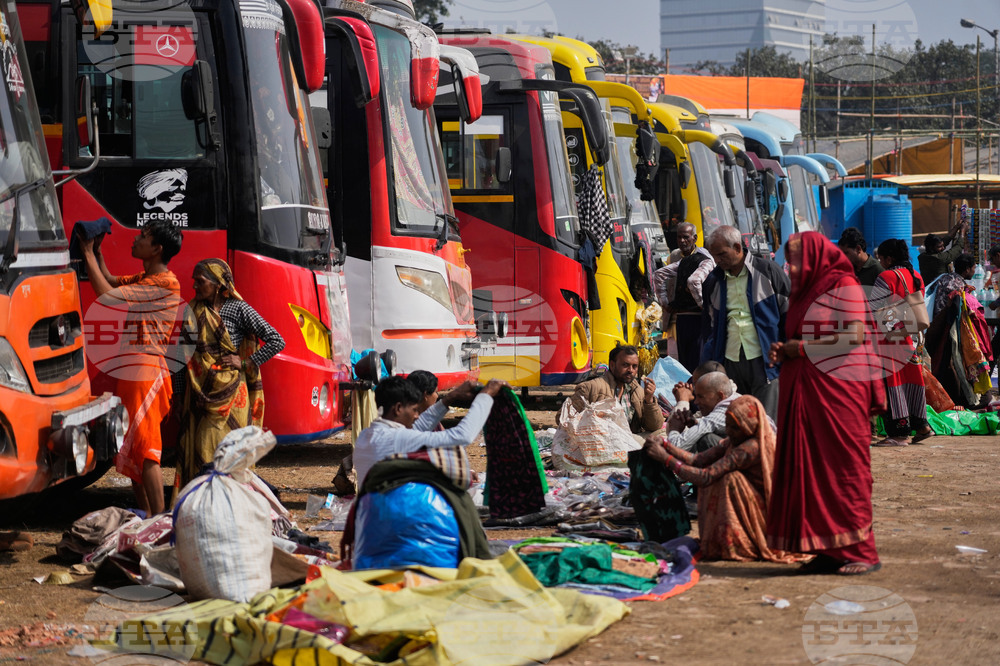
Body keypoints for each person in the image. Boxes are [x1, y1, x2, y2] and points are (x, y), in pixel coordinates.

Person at [766, 231, 885, 575]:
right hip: (807, 390)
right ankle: (826, 549)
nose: (791, 268)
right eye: (790, 261)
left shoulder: (843, 285)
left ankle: (861, 551)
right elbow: (801, 334)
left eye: (797, 260)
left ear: (816, 258)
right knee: (811, 471)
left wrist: (801, 349)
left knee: (843, 469)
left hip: (839, 393)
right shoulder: (803, 292)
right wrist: (785, 349)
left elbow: (854, 336)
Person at [79, 220, 183, 517]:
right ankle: (148, 514)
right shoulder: (147, 277)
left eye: (143, 237)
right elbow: (111, 280)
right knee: (131, 445)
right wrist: (98, 252)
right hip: (132, 370)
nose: (135, 239)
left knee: (146, 447)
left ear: (157, 248)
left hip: (145, 370)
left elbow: (105, 296)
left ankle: (158, 518)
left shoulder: (164, 283)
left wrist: (87, 253)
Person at [643, 396, 805, 563]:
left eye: (734, 427)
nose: (729, 431)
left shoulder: (752, 446)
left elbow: (705, 476)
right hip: (752, 501)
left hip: (764, 508)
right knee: (726, 477)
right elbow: (698, 459)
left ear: (748, 425)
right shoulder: (737, 438)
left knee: (730, 479)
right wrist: (666, 446)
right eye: (728, 426)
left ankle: (741, 542)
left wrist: (666, 459)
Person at [175, 259, 285, 488]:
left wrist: (245, 362)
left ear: (218, 284)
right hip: (200, 395)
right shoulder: (192, 311)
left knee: (235, 455)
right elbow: (180, 356)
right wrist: (177, 396)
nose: (194, 286)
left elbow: (277, 340)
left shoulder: (238, 309)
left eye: (200, 281)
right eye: (194, 281)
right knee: (204, 453)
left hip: (234, 397)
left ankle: (236, 502)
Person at [352, 377, 508, 487]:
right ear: (398, 408)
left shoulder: (367, 435)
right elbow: (462, 436)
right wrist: (486, 396)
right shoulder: (396, 438)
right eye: (414, 410)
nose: (416, 416)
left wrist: (450, 398)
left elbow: (419, 427)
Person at [701, 225, 789, 418]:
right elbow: (710, 328)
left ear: (737, 248)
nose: (717, 260)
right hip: (730, 359)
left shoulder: (768, 272)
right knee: (739, 419)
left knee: (766, 419)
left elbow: (789, 316)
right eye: (714, 256)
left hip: (766, 360)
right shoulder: (713, 282)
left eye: (722, 254)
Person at [869, 238, 932, 446]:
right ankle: (922, 426)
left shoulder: (885, 277)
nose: (881, 262)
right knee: (913, 380)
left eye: (881, 259)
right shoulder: (916, 276)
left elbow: (874, 310)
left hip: (891, 338)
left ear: (889, 259)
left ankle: (899, 433)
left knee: (894, 382)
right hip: (913, 336)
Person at [924, 254, 992, 408]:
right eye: (973, 268)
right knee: (954, 364)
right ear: (967, 269)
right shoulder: (958, 285)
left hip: (936, 325)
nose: (974, 271)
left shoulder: (945, 278)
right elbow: (956, 308)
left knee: (944, 364)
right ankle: (957, 400)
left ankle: (948, 398)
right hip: (949, 329)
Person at [653, 223, 715, 371]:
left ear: (695, 239)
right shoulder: (679, 257)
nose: (682, 241)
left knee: (687, 362)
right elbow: (692, 281)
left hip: (688, 318)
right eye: (679, 237)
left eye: (685, 237)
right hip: (684, 317)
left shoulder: (698, 259)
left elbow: (659, 275)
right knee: (691, 362)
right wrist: (665, 303)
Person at [571, 344, 664, 434]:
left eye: (634, 366)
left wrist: (649, 400)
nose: (631, 370)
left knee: (660, 434)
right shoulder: (591, 388)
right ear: (612, 365)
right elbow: (566, 420)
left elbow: (654, 426)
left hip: (630, 440)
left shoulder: (637, 391)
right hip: (601, 441)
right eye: (625, 365)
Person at [664, 372, 736, 453]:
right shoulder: (733, 397)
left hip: (736, 457)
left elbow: (675, 447)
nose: (696, 402)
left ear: (720, 396)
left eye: (700, 397)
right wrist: (694, 424)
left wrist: (674, 429)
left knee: (705, 439)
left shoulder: (718, 415)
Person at [918, 220, 968, 286]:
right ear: (931, 248)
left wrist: (956, 227)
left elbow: (944, 241)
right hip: (937, 289)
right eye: (939, 247)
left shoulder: (923, 256)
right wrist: (962, 232)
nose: (943, 248)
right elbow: (958, 248)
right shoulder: (939, 258)